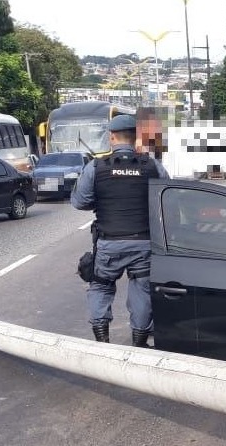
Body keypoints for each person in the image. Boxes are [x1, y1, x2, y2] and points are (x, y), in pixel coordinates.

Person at [71, 114, 171, 347]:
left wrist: (102, 200)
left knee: (100, 285)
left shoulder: (95, 167)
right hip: (144, 242)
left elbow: (79, 202)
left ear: (112, 137)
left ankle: (102, 339)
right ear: (135, 137)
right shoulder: (152, 166)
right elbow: (167, 199)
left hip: (109, 243)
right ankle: (139, 342)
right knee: (142, 289)